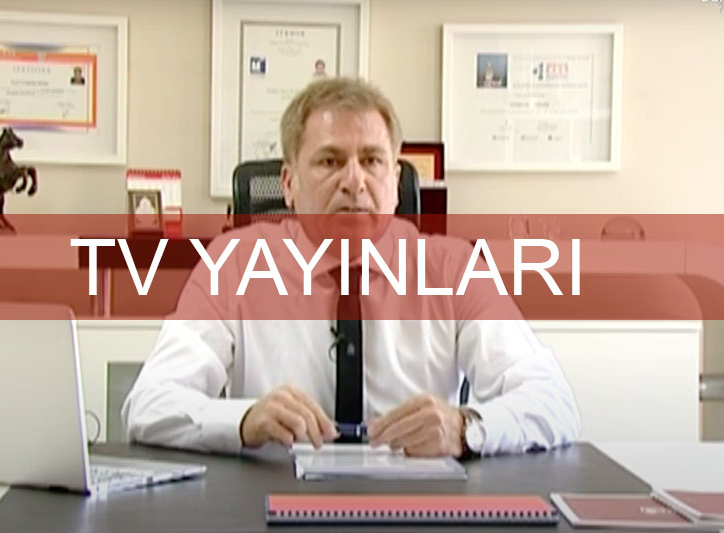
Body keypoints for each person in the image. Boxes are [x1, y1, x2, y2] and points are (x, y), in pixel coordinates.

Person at [123, 77, 580, 457]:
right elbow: (149, 403)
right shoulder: (234, 263)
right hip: (272, 502)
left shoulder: (454, 268)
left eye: (372, 160)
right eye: (330, 161)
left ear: (395, 181)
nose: (354, 182)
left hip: (418, 508)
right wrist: (243, 419)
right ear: (288, 183)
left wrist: (466, 429)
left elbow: (554, 402)